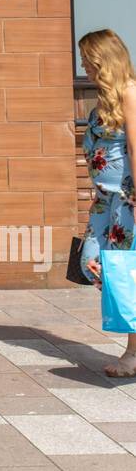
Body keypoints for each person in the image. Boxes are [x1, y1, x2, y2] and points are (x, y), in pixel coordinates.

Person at [78, 29, 136, 377]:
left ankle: (132, 353)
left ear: (104, 61)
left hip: (128, 200)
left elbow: (134, 148)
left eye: (87, 60)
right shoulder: (102, 100)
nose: (83, 66)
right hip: (104, 201)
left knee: (125, 271)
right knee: (92, 262)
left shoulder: (131, 93)